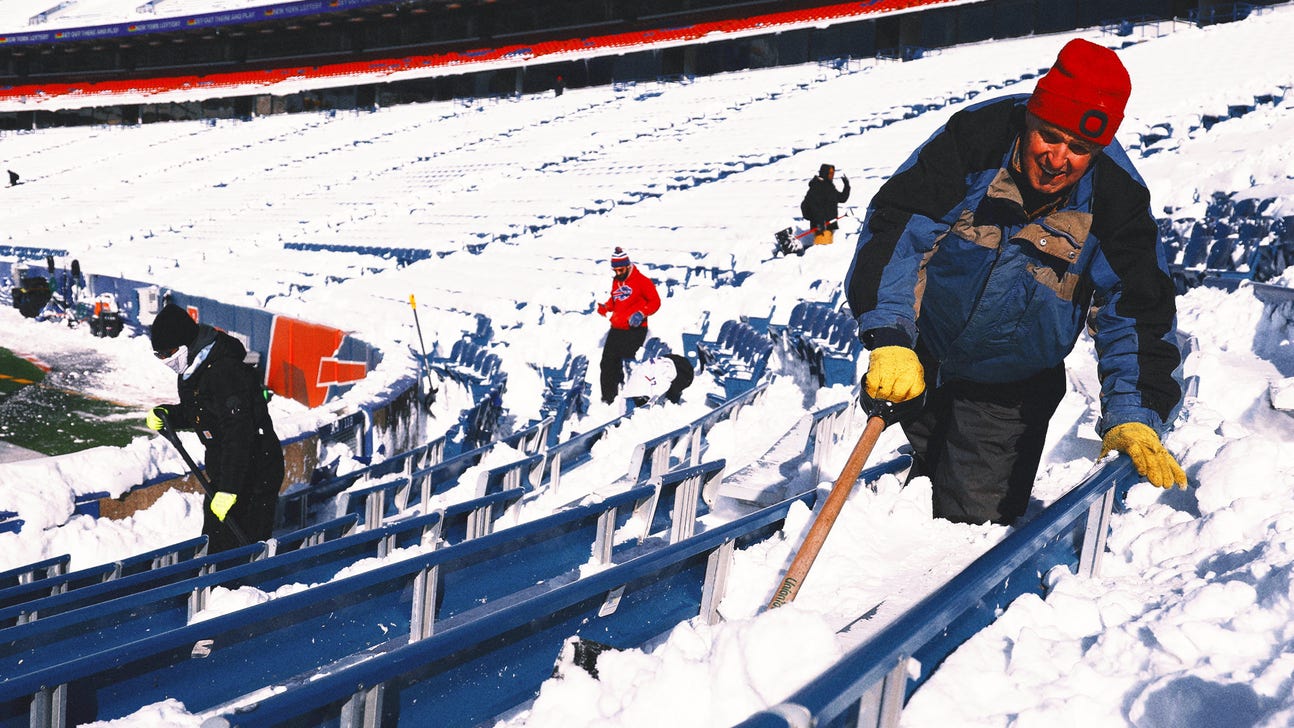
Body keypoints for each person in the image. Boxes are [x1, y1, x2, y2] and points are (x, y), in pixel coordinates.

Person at [844, 38, 1186, 526]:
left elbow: (1137, 311)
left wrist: (1134, 412)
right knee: (900, 504)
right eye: (1050, 136)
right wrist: (891, 339)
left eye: (1080, 149)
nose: (1058, 159)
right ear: (1030, 118)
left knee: (969, 532)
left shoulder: (1116, 198)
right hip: (920, 358)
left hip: (1008, 391)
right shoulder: (975, 141)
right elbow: (899, 230)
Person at [145, 303, 284, 552]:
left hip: (255, 473)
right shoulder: (193, 369)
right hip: (227, 471)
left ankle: (250, 577)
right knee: (216, 543)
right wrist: (169, 415)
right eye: (160, 355)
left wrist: (229, 490)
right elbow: (202, 412)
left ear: (185, 343)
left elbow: (239, 433)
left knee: (241, 549)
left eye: (169, 352)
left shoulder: (225, 371)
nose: (166, 360)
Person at [596, 247, 661, 404]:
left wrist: (641, 313)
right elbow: (616, 299)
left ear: (627, 265)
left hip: (635, 329)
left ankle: (632, 396)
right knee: (607, 363)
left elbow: (655, 302)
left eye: (621, 270)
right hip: (617, 329)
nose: (618, 273)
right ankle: (608, 399)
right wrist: (606, 306)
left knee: (627, 361)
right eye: (615, 270)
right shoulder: (616, 281)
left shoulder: (642, 281)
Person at [801, 163, 850, 246]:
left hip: (830, 225)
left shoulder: (829, 187)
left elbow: (842, 198)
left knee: (828, 249)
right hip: (821, 227)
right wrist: (819, 222)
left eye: (833, 173)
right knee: (822, 250)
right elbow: (814, 206)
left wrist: (846, 186)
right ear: (825, 172)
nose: (832, 175)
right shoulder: (816, 186)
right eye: (830, 173)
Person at [620, 353, 695, 408]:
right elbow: (660, 387)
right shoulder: (666, 372)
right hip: (642, 392)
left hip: (633, 390)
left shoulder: (661, 366)